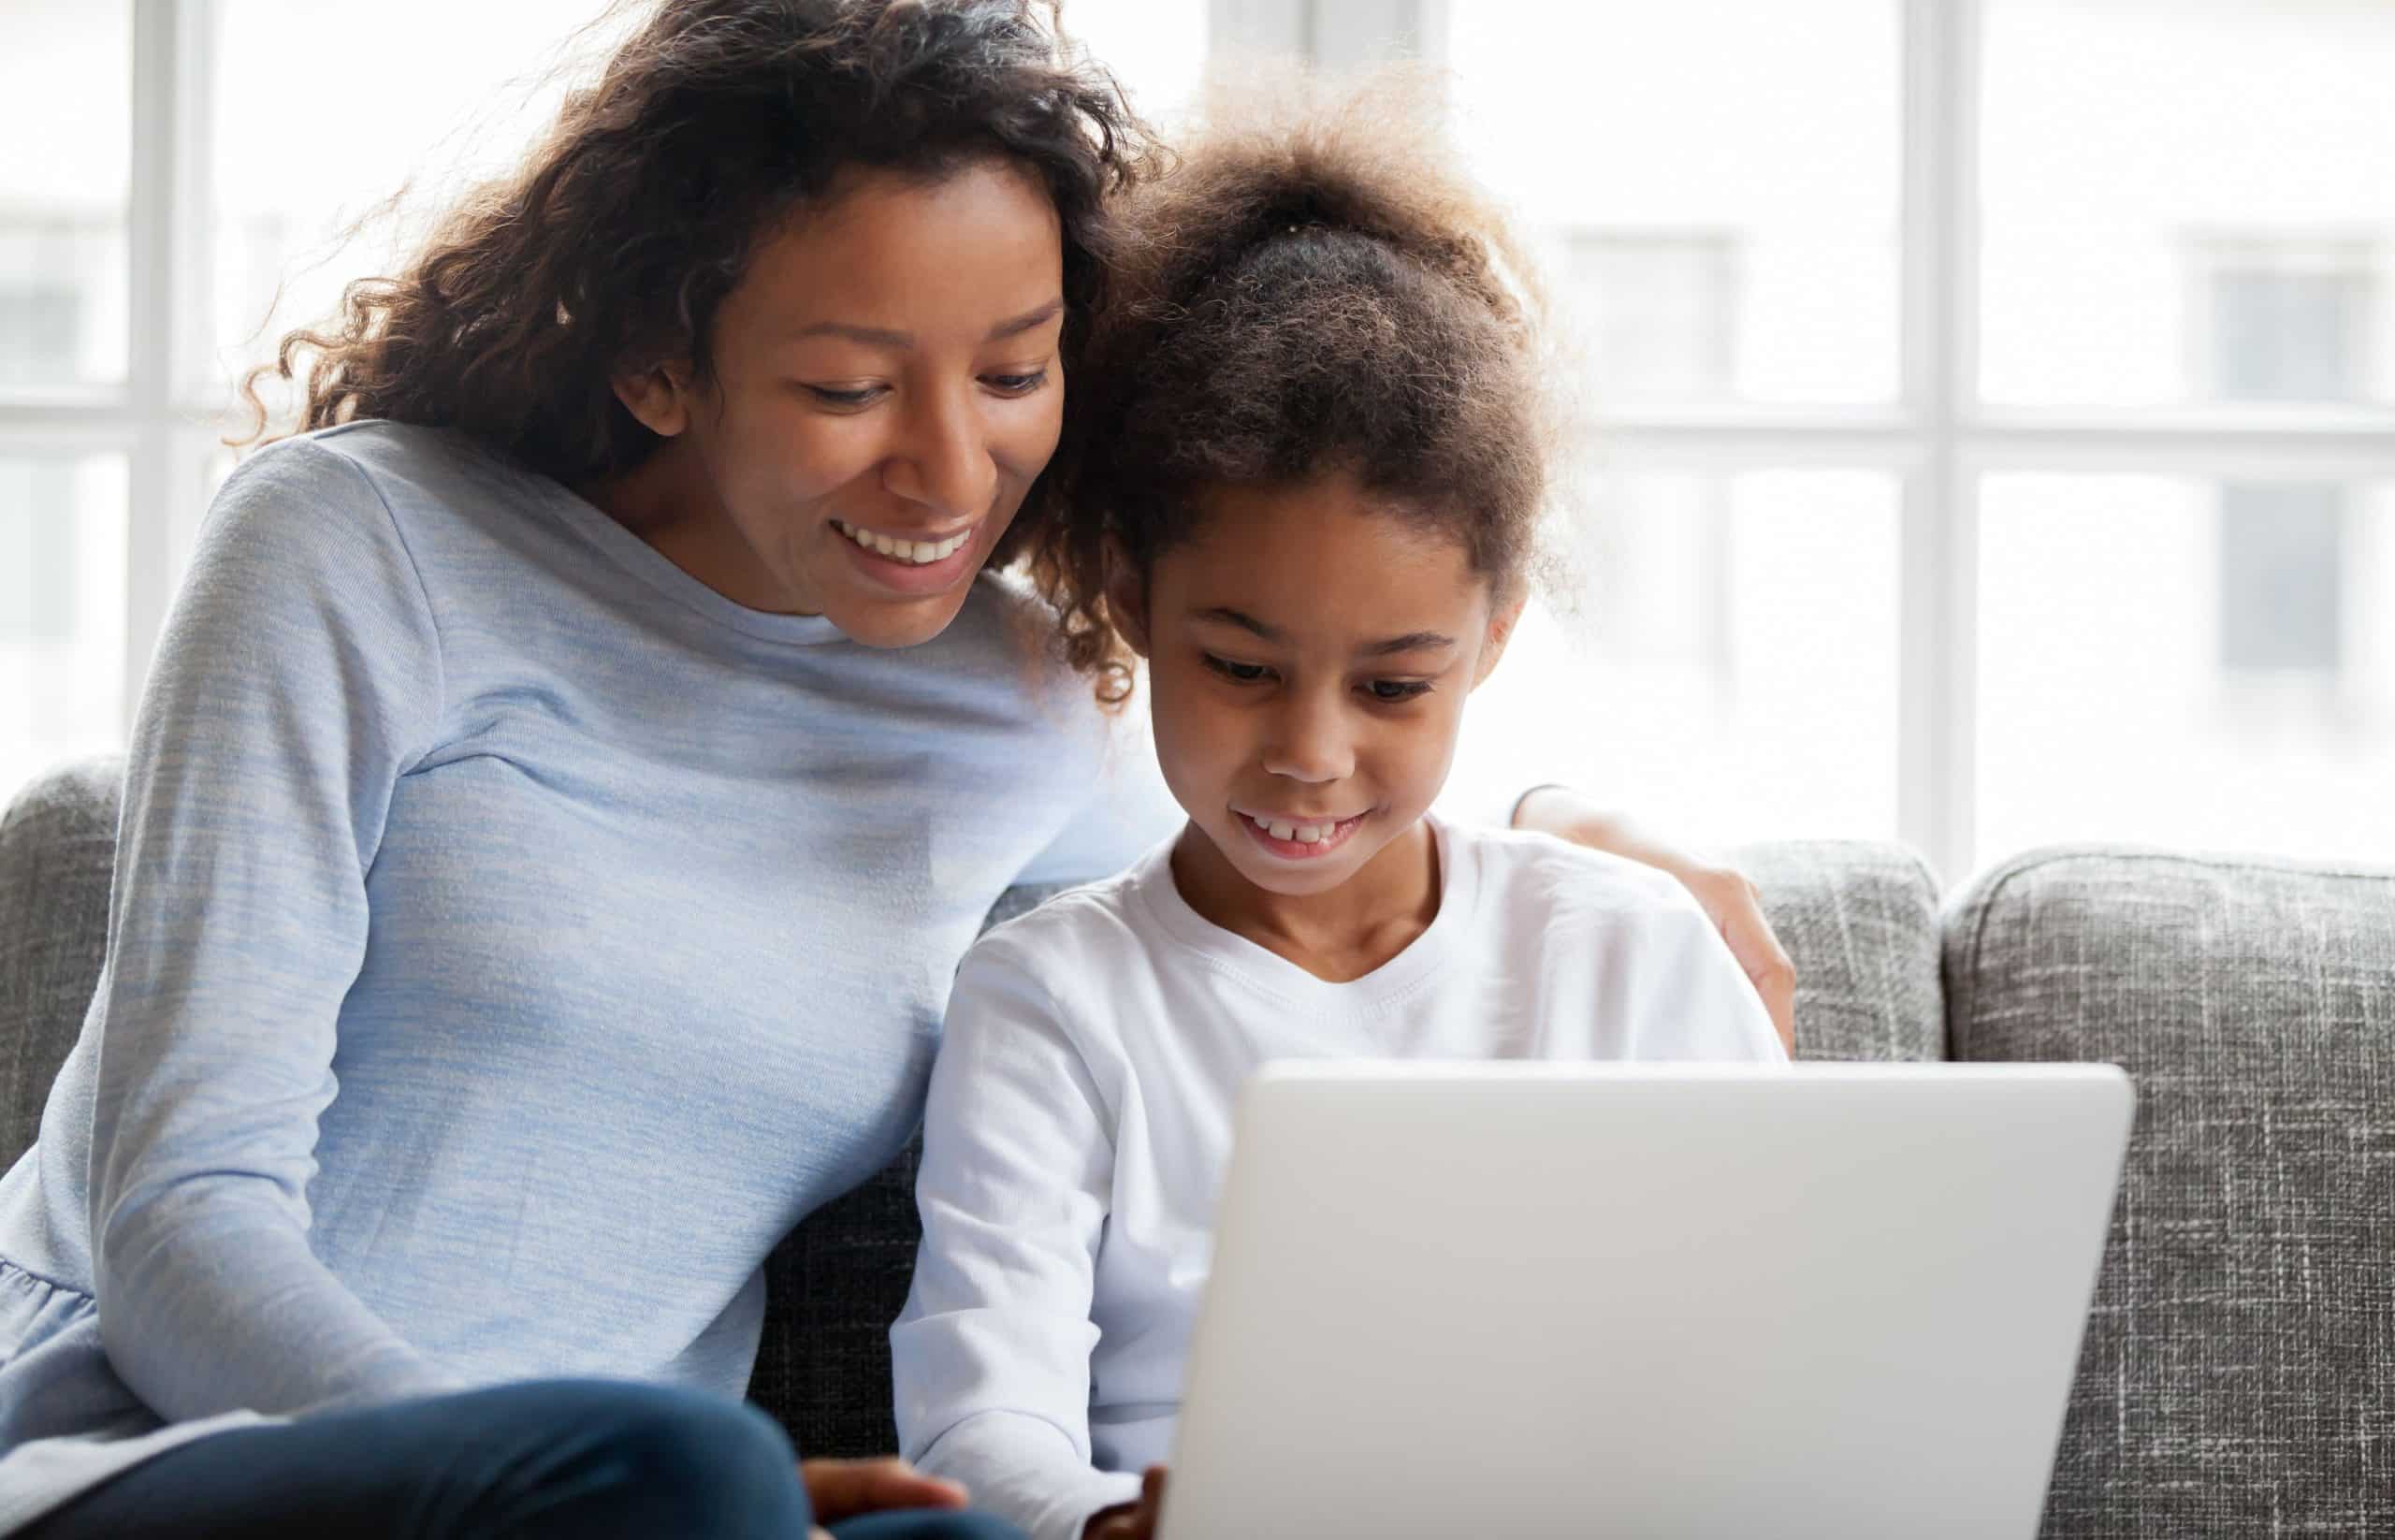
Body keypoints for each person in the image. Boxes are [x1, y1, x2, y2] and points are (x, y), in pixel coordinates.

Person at [0, 4, 1788, 1537]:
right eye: (854, 386)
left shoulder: (1012, 698)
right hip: (145, 1449)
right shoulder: (357, 549)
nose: (952, 476)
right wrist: (573, 1480)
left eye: (1014, 372)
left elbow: (1301, 740)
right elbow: (179, 1220)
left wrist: (1569, 814)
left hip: (641, 1501)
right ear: (657, 357)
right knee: (693, 1469)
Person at [889, 76, 1789, 1540]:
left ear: (1492, 637)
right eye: (1240, 666)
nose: (1309, 753)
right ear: (1131, 600)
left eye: (1391, 688)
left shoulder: (1629, 951)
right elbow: (985, 1419)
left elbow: (1782, 1371)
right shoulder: (1053, 997)